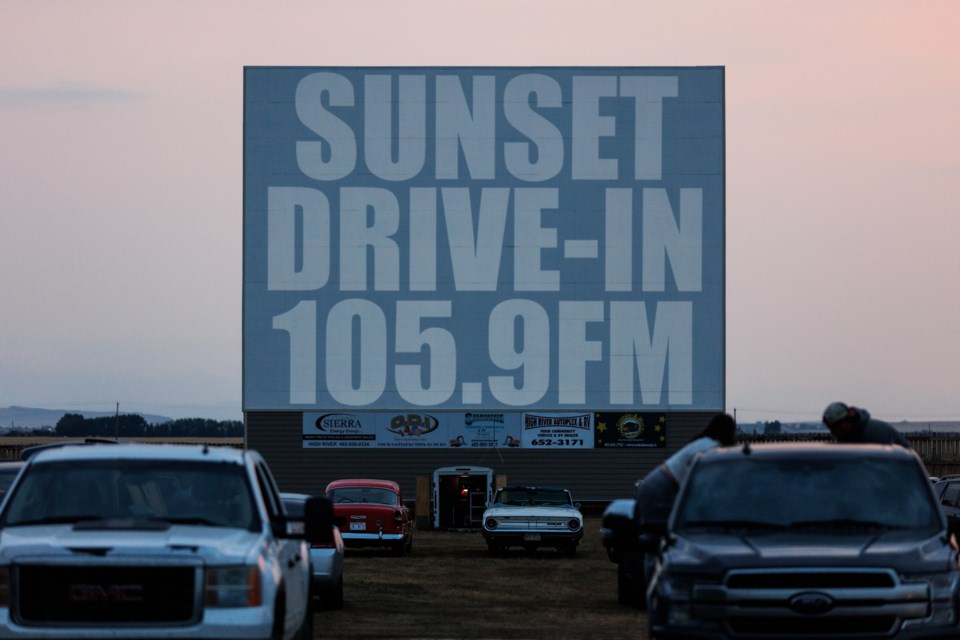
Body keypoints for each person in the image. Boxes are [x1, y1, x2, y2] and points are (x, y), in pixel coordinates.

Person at [635, 412, 738, 527]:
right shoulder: (710, 448)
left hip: (655, 484)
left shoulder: (703, 442)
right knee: (674, 532)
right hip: (661, 489)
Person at [822, 402, 910, 448]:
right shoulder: (850, 437)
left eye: (835, 428)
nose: (833, 433)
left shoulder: (877, 433)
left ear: (845, 421)